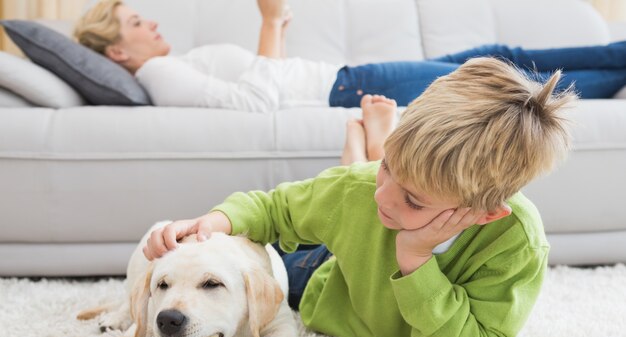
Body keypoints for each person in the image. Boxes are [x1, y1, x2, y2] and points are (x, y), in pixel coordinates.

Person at [141, 57, 578, 337]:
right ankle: (370, 151)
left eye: (412, 198)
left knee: (353, 193)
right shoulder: (364, 190)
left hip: (364, 252)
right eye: (388, 166)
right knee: (332, 203)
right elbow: (274, 209)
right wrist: (214, 222)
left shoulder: (516, 242)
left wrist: (416, 260)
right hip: (321, 277)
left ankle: (368, 147)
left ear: (482, 215)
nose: (382, 196)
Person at [75, 0, 626, 112]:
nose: (151, 21)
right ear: (117, 48)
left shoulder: (168, 64)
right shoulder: (159, 74)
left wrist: (278, 31)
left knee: (498, 60)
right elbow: (255, 102)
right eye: (135, 22)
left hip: (341, 81)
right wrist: (267, 21)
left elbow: (268, 77)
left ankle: (618, 57)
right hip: (346, 88)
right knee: (504, 79)